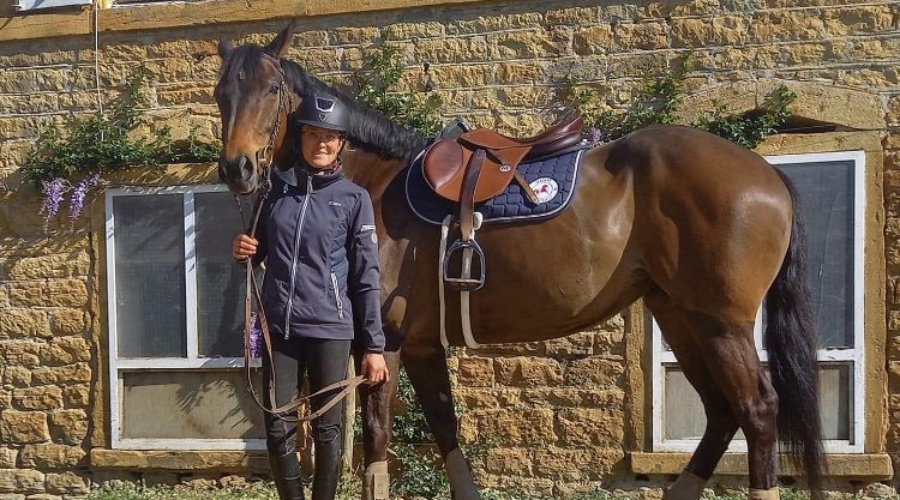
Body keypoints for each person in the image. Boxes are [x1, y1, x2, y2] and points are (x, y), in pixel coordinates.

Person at [232, 92, 389, 500]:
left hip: (330, 328)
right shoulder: (274, 194)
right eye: (313, 134)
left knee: (328, 428)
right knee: (276, 425)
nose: (321, 143)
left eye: (330, 136)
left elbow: (366, 275)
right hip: (279, 328)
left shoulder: (354, 199)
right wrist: (246, 250)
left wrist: (373, 345)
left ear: (341, 144)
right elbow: (260, 250)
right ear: (300, 138)